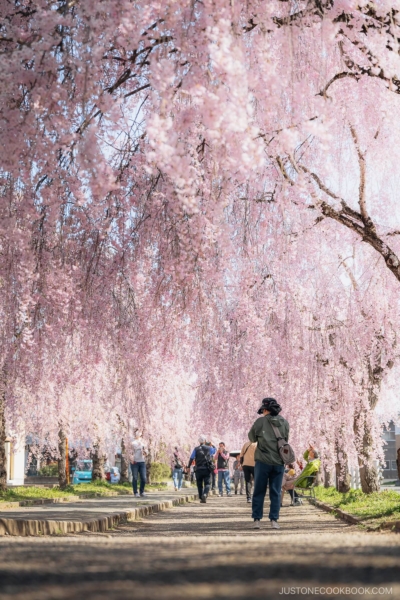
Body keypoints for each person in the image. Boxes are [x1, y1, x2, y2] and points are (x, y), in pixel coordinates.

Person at [248, 397, 289, 530]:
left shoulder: (260, 422)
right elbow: (285, 439)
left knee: (259, 490)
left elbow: (252, 438)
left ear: (265, 409)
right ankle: (274, 520)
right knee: (275, 492)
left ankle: (257, 520)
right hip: (279, 462)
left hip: (263, 461)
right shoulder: (284, 422)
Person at [188, 435, 215, 503]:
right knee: (207, 484)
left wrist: (188, 467)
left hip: (198, 469)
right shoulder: (209, 448)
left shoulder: (196, 449)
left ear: (199, 441)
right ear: (205, 441)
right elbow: (214, 451)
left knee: (199, 484)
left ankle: (201, 497)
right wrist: (212, 445)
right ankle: (205, 494)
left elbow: (191, 458)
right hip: (206, 469)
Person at [130, 429, 147, 498]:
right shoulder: (132, 442)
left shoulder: (143, 442)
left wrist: (145, 452)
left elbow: (146, 452)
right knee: (135, 477)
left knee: (144, 478)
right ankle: (135, 492)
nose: (138, 433)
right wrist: (131, 459)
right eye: (137, 432)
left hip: (142, 461)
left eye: (139, 432)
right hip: (135, 462)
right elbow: (130, 452)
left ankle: (142, 491)